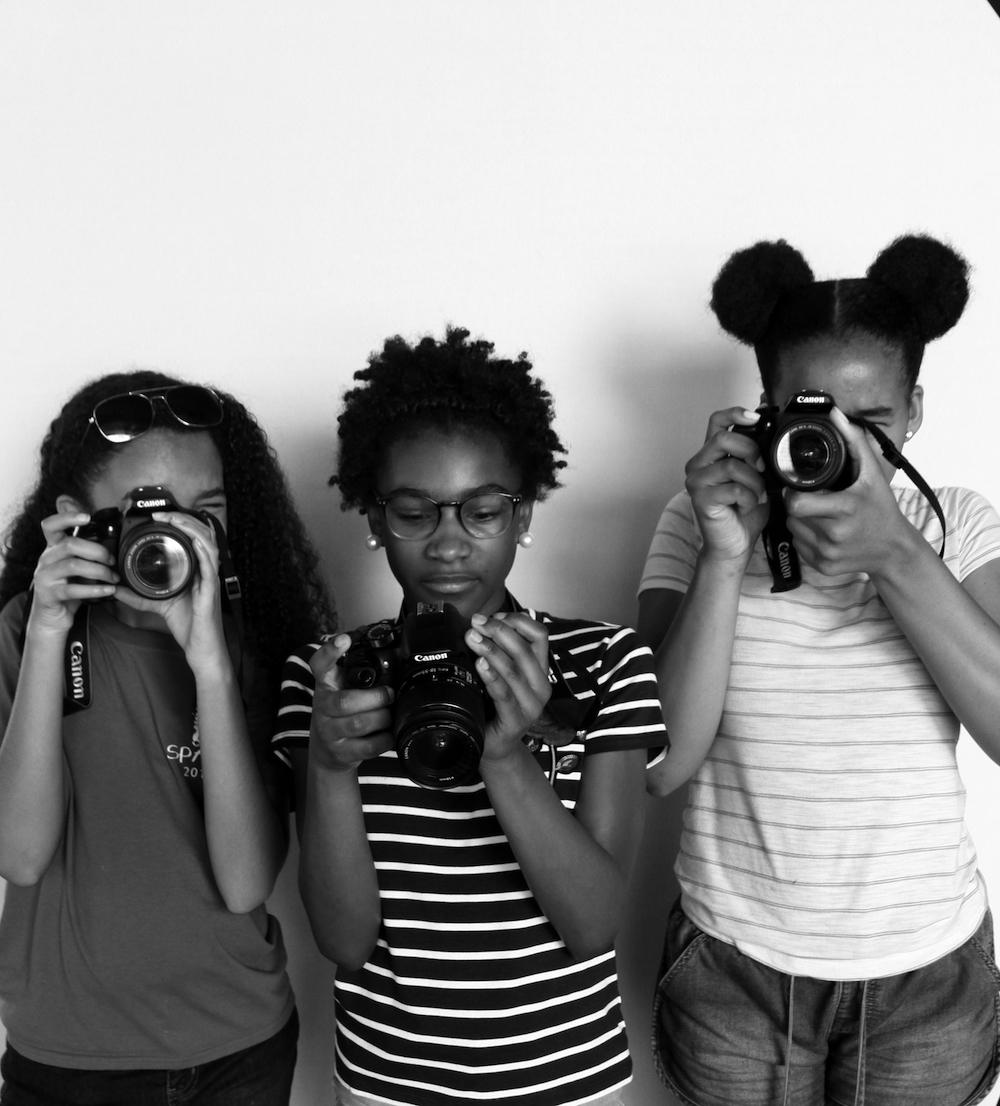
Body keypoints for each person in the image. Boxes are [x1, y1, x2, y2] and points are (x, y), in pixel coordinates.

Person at [639, 235, 1000, 1106]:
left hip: (925, 970)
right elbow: (658, 763)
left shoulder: (959, 521)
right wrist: (725, 555)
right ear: (765, 408)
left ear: (914, 410)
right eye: (812, 414)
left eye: (871, 423)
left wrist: (898, 552)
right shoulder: (700, 522)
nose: (839, 446)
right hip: (735, 964)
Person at [272, 327, 667, 1106]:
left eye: (482, 511)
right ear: (374, 517)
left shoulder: (606, 662)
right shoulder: (327, 680)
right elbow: (345, 943)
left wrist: (505, 754)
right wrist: (326, 765)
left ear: (523, 515)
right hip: (390, 1086)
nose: (450, 544)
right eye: (415, 512)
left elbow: (593, 925)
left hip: (571, 1085)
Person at [0, 369, 334, 1104]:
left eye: (201, 514)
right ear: (73, 522)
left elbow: (246, 881)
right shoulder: (29, 631)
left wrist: (210, 663)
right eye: (142, 516)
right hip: (66, 1050)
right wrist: (52, 630)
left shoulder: (257, 648)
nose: (169, 540)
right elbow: (19, 856)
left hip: (235, 1047)